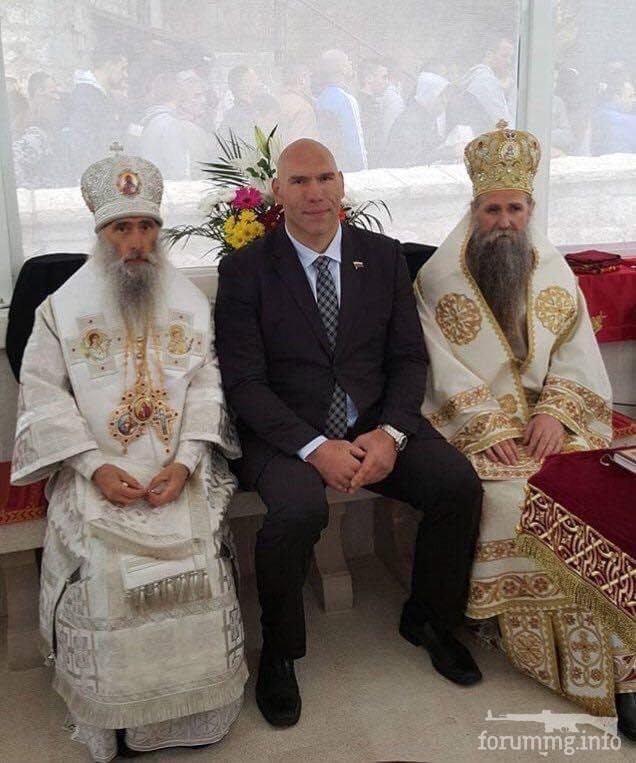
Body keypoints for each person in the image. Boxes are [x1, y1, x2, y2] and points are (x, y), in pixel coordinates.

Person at [215, 138, 483, 728]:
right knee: (296, 509)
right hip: (285, 433)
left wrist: (392, 433)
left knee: (456, 484)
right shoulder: (245, 270)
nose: (314, 193)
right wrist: (314, 448)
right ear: (277, 192)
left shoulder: (383, 257)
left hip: (373, 425)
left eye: (325, 179)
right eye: (299, 181)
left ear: (341, 185)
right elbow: (244, 382)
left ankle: (431, 619)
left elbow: (408, 359)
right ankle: (279, 653)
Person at [11, 151, 247, 761]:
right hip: (96, 470)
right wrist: (94, 467)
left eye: (146, 227)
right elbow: (42, 393)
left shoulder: (190, 302)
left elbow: (208, 385)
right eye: (122, 228)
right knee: (102, 572)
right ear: (101, 233)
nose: (136, 242)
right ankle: (117, 723)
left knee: (201, 560)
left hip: (177, 471)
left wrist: (186, 462)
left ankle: (190, 716)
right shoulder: (60, 308)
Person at [414, 120, 636, 733]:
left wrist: (555, 412)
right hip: (478, 430)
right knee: (516, 498)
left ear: (530, 210)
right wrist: (490, 428)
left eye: (515, 208)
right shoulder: (437, 279)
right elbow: (436, 367)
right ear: (474, 210)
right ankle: (573, 657)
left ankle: (625, 657)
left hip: (555, 425)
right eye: (493, 209)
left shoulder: (554, 269)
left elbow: (577, 354)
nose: (505, 221)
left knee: (611, 492)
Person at [67, 44, 129, 181]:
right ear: (109, 65)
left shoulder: (102, 97)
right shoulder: (85, 97)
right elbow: (81, 144)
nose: (126, 75)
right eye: (123, 68)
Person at [316, 50, 367, 171]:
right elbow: (355, 142)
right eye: (348, 60)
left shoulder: (321, 98)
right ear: (340, 68)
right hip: (346, 170)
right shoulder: (346, 100)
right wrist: (363, 172)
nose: (351, 63)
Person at [357, 58, 390, 167]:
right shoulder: (365, 106)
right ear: (369, 78)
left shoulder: (367, 103)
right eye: (384, 77)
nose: (387, 82)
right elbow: (371, 141)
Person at [278, 62, 318, 145]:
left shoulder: (277, 100)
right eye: (309, 77)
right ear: (301, 80)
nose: (310, 83)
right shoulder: (303, 108)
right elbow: (300, 144)